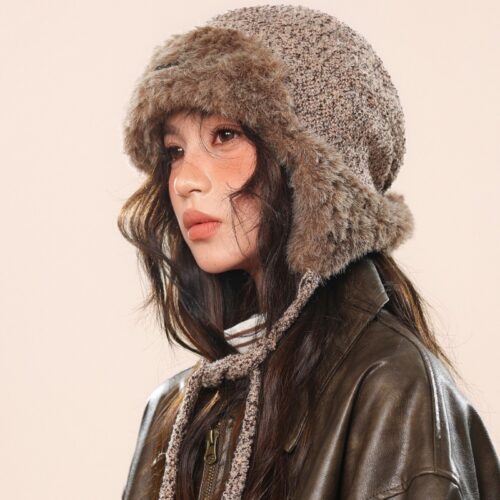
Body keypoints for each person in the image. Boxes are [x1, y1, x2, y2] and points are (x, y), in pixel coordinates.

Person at [118, 5, 500, 499]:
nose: (184, 181)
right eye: (175, 151)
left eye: (225, 136)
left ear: (313, 167)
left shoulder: (391, 386)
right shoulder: (174, 410)